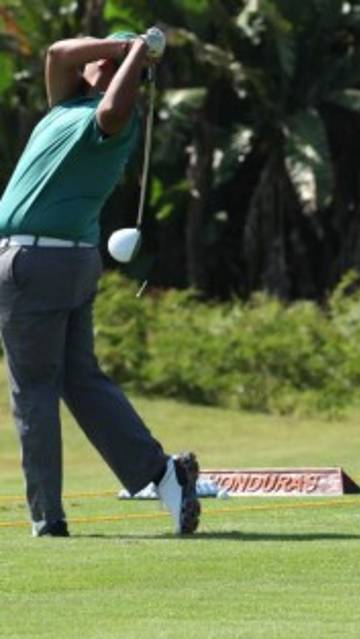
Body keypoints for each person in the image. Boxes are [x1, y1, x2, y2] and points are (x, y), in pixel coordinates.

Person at [0, 29, 201, 536]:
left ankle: (47, 517)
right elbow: (57, 53)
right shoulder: (65, 103)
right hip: (63, 262)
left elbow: (113, 106)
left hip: (36, 262)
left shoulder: (113, 120)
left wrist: (132, 58)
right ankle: (164, 474)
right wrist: (125, 48)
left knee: (34, 390)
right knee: (80, 379)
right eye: (103, 55)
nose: (101, 62)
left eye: (113, 62)